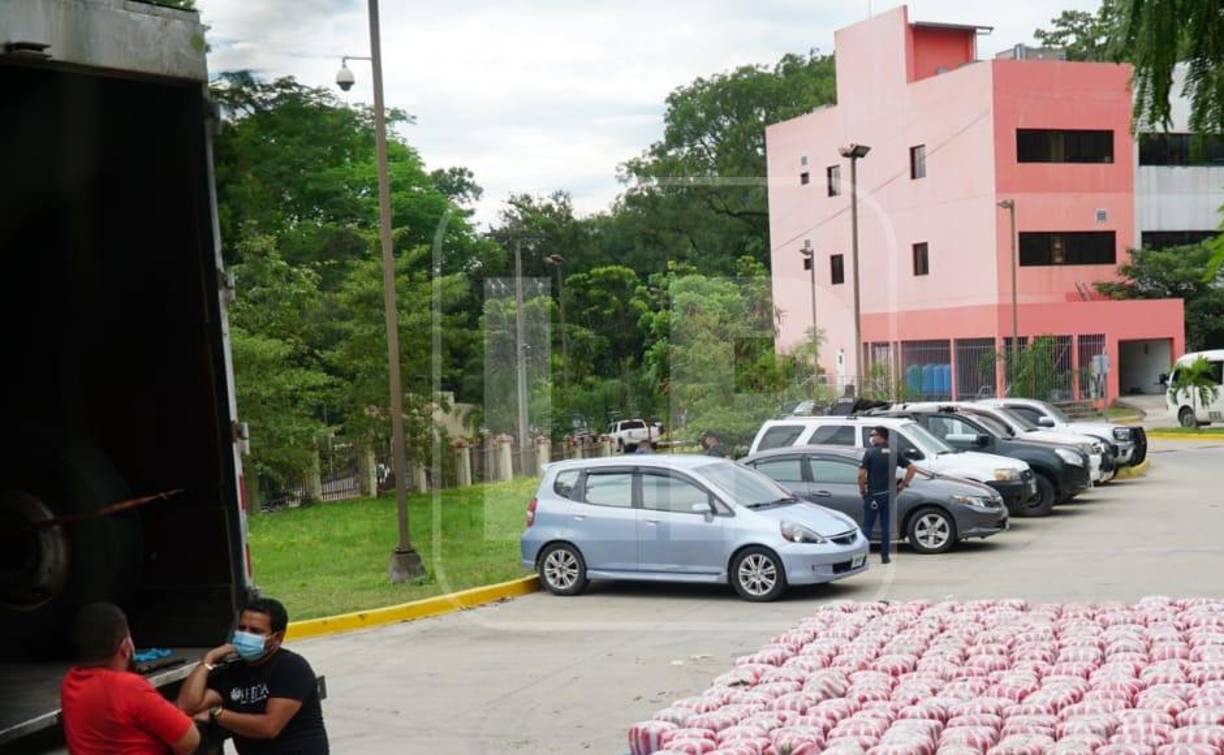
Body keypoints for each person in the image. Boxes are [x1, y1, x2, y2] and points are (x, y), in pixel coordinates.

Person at [177, 597, 328, 754]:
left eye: (255, 631)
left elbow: (269, 727)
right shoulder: (233, 671)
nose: (245, 635)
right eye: (242, 628)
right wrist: (208, 660)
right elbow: (188, 706)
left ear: (277, 638)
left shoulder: (291, 668)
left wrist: (216, 713)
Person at [60, 602, 200, 755]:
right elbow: (190, 742)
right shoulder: (128, 686)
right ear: (126, 647)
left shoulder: (70, 682)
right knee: (205, 726)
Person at [858, 426, 918, 564]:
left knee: (867, 526)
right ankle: (885, 557)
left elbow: (861, 475)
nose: (871, 438)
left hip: (873, 495)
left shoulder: (870, 452)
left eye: (874, 435)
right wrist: (902, 485)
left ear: (881, 436)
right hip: (889, 495)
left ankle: (862, 557)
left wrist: (862, 491)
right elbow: (912, 468)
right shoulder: (893, 452)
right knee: (886, 527)